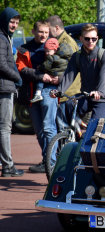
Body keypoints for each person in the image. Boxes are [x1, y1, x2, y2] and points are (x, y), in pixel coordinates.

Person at [16, 20, 58, 173]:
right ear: (33, 32)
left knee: (48, 128)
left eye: (46, 32)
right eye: (41, 32)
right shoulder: (24, 49)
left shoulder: (54, 46)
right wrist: (40, 76)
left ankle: (50, 162)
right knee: (39, 131)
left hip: (50, 93)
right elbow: (21, 69)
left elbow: (61, 65)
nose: (44, 35)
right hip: (31, 94)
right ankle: (46, 159)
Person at [54, 24, 105, 121]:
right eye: (87, 39)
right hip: (86, 95)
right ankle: (76, 133)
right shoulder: (77, 56)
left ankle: (90, 133)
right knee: (69, 105)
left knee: (96, 125)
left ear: (97, 39)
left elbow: (104, 75)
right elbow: (69, 76)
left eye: (93, 39)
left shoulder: (104, 55)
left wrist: (100, 92)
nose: (90, 41)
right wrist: (59, 91)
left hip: (103, 98)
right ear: (81, 39)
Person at [0, 7, 24, 177]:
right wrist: (17, 77)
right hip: (4, 88)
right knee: (4, 128)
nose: (14, 25)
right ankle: (8, 166)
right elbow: (1, 64)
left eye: (16, 22)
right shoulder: (1, 39)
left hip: (5, 86)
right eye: (11, 21)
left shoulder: (5, 37)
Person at [46, 15, 80, 131]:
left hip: (67, 93)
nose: (47, 34)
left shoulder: (65, 43)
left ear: (56, 28)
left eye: (49, 30)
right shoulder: (63, 40)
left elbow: (66, 68)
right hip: (68, 91)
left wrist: (58, 78)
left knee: (64, 129)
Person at [31, 38, 73, 103]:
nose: (46, 53)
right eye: (46, 51)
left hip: (53, 75)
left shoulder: (52, 57)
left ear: (55, 50)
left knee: (41, 77)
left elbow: (46, 67)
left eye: (48, 51)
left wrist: (39, 68)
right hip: (59, 76)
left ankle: (38, 93)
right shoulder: (65, 58)